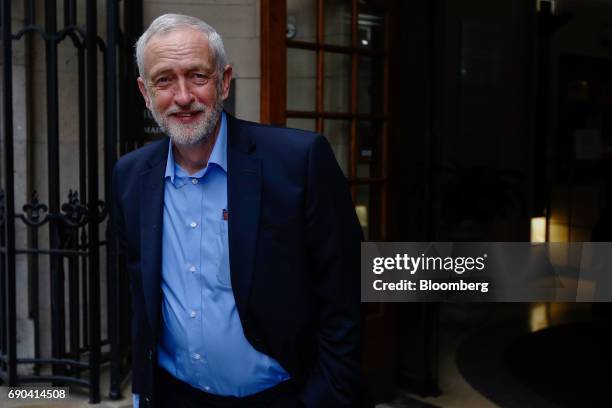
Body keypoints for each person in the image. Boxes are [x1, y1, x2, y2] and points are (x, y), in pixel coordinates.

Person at [111, 13, 363, 408]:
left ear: (224, 81)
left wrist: (326, 397)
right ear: (145, 92)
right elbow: (140, 294)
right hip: (174, 395)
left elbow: (346, 291)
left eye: (197, 76)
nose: (182, 97)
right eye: (164, 80)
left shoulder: (300, 161)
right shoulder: (130, 176)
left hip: (279, 397)